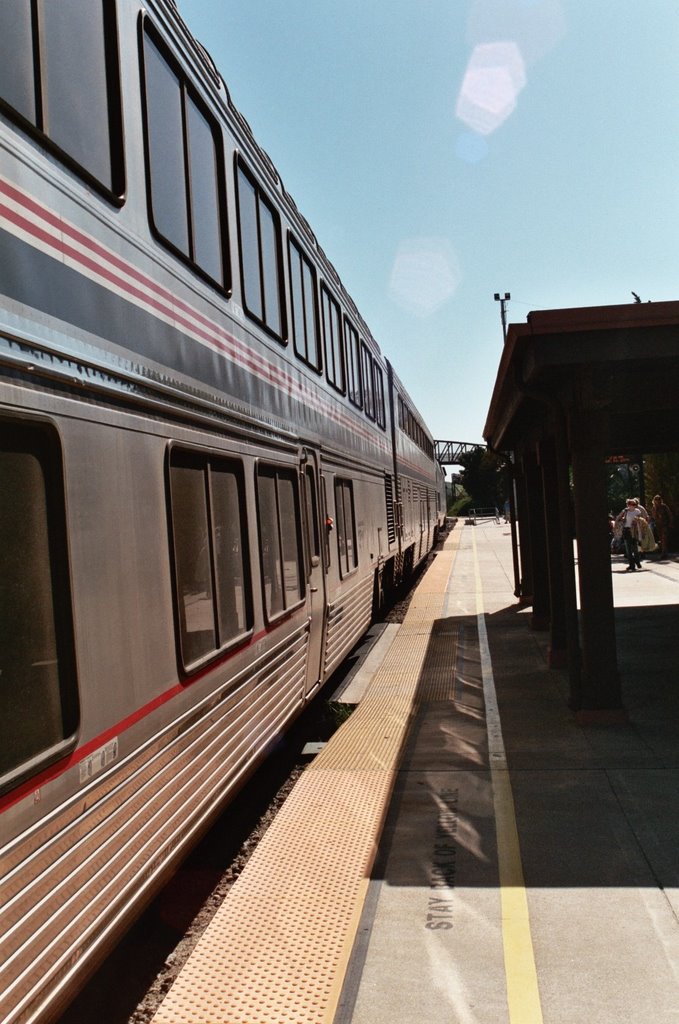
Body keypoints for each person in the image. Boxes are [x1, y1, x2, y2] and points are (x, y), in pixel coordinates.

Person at [618, 498, 646, 571]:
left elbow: (641, 519)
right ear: (628, 505)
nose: (633, 505)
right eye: (632, 504)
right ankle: (631, 565)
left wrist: (637, 520)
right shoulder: (625, 511)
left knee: (635, 548)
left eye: (634, 504)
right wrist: (622, 519)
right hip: (626, 530)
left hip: (634, 531)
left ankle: (637, 562)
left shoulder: (637, 511)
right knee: (628, 550)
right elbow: (618, 518)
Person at [651, 493, 673, 557]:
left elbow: (670, 514)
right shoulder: (654, 508)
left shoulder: (664, 506)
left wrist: (670, 522)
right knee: (661, 538)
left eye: (659, 499)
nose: (657, 501)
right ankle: (664, 551)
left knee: (664, 538)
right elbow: (653, 517)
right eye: (656, 499)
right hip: (658, 525)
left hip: (664, 524)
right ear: (654, 500)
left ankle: (664, 552)